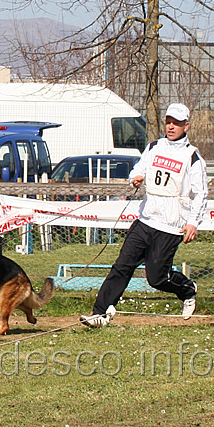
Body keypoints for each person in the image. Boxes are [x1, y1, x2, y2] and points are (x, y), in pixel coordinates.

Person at [80, 103, 208, 327]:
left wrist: (192, 223)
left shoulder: (192, 157)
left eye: (176, 123)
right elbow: (139, 168)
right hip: (146, 219)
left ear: (186, 126)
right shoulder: (154, 146)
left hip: (171, 226)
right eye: (168, 121)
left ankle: (187, 289)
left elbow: (201, 194)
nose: (170, 126)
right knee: (122, 265)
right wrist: (136, 178)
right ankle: (100, 313)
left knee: (157, 278)